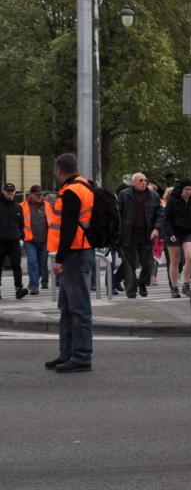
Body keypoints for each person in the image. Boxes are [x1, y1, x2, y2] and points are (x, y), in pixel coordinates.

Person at [45, 153, 95, 372]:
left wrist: (60, 259)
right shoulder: (84, 186)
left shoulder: (72, 192)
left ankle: (81, 356)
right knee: (67, 307)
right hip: (80, 251)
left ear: (59, 171)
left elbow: (68, 229)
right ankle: (68, 354)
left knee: (78, 308)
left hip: (75, 253)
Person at [117, 172, 164, 299]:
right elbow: (118, 215)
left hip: (146, 235)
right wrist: (118, 234)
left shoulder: (153, 196)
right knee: (131, 264)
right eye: (140, 180)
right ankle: (131, 290)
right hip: (129, 235)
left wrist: (156, 229)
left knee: (148, 263)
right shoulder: (124, 195)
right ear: (133, 183)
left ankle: (142, 282)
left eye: (145, 180)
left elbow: (160, 214)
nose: (144, 182)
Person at [164, 179, 191, 298]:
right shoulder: (173, 200)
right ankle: (174, 286)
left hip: (188, 232)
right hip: (174, 232)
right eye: (186, 189)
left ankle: (186, 284)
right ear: (181, 189)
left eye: (190, 189)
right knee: (175, 261)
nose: (188, 192)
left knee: (190, 256)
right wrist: (170, 233)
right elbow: (166, 219)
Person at [21, 185, 52, 294]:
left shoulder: (48, 205)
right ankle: (34, 286)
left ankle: (40, 281)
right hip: (29, 240)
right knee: (32, 262)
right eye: (37, 195)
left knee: (42, 263)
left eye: (41, 194)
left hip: (44, 240)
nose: (40, 197)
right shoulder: (22, 206)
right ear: (31, 194)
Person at [0, 183, 28, 299]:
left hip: (14, 242)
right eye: (8, 191)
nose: (10, 193)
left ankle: (19, 289)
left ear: (15, 192)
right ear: (3, 191)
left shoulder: (18, 207)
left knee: (17, 265)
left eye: (12, 191)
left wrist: (22, 237)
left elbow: (21, 225)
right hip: (0, 242)